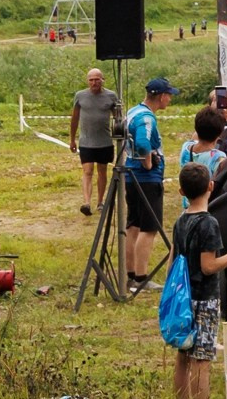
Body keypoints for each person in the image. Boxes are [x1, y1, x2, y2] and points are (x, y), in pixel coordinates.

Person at [169, 162, 227, 399]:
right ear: (211, 187)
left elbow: (173, 261)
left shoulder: (180, 221)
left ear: (181, 192)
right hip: (204, 299)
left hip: (183, 298)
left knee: (183, 356)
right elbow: (208, 266)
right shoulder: (209, 224)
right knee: (201, 359)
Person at [121, 87, 165, 289]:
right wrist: (148, 163)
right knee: (149, 228)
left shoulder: (133, 111)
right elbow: (141, 142)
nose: (170, 100)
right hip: (147, 178)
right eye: (169, 96)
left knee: (134, 225)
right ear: (162, 96)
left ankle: (130, 273)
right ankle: (141, 277)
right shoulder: (147, 118)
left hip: (131, 176)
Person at [71, 68, 123, 217]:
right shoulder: (80, 96)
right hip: (86, 141)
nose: (94, 82)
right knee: (87, 171)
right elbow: (74, 118)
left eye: (97, 79)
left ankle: (100, 202)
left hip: (104, 142)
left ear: (102, 80)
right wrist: (72, 139)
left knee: (102, 171)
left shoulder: (111, 96)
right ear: (87, 81)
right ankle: (86, 203)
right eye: (91, 80)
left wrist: (122, 131)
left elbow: (118, 118)